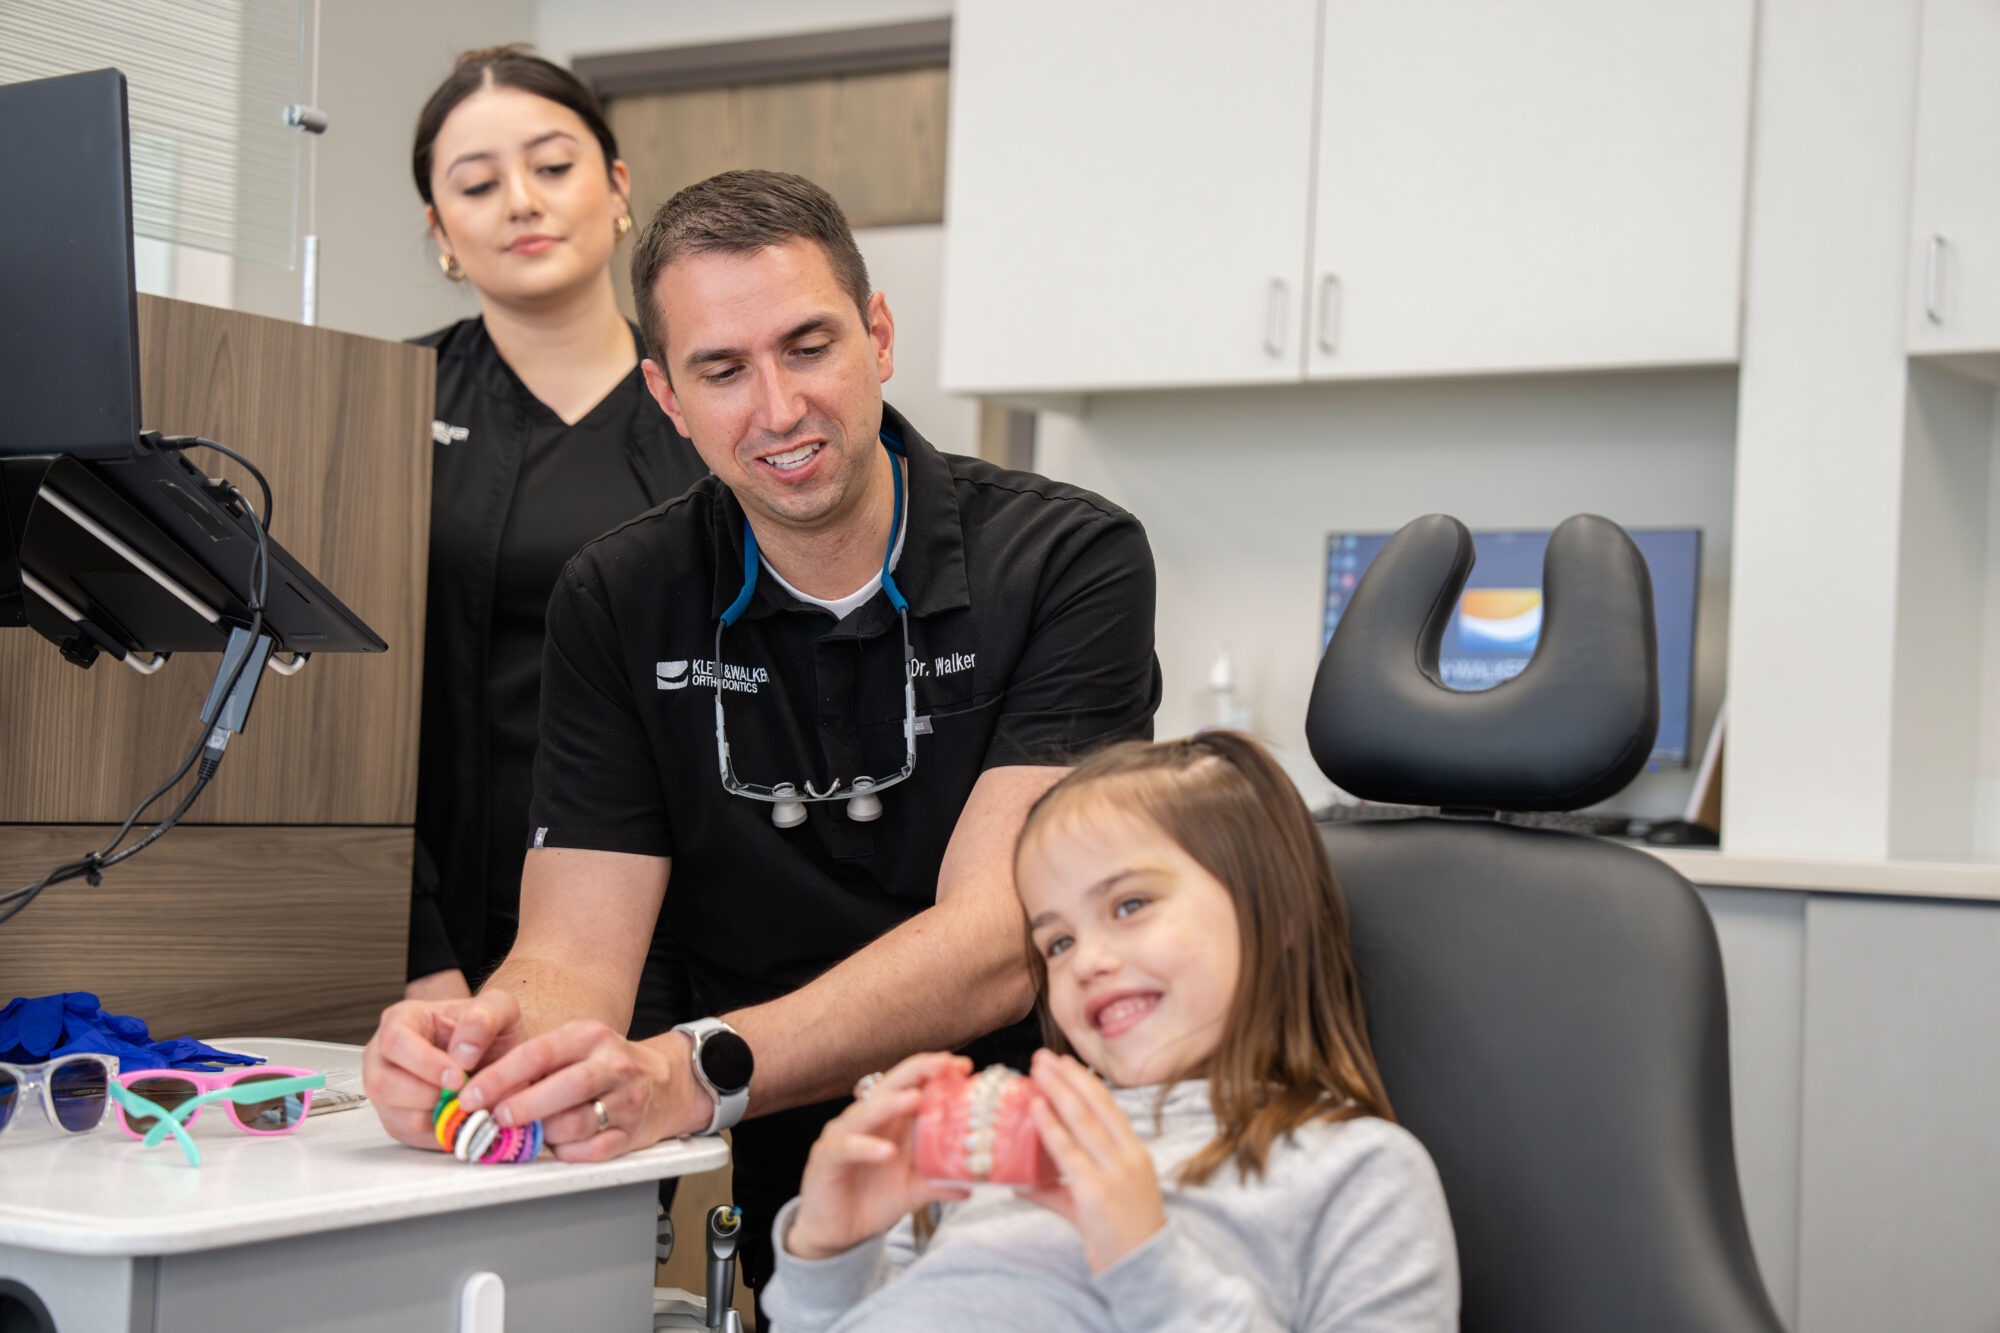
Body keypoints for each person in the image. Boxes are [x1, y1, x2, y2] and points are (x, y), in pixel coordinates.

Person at [361, 169, 1163, 1293]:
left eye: (808, 346)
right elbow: (570, 959)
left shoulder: (1065, 562)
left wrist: (697, 1066)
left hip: (1032, 1147)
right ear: (666, 395)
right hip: (775, 1139)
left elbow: (995, 941)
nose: (778, 409)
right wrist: (485, 1054)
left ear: (878, 335)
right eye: (722, 370)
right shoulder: (619, 595)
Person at [760, 732, 1459, 1332]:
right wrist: (830, 1253)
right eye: (1056, 941)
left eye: (1129, 903)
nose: (1086, 960)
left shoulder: (1357, 1172)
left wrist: (1142, 1253)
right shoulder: (1006, 1140)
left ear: (1275, 912)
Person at [402, 46, 707, 1012]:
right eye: (479, 184)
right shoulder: (378, 409)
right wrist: (414, 952)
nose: (522, 201)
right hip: (438, 927)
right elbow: (337, 709)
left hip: (677, 916)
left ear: (618, 187)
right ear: (440, 227)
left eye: (553, 165)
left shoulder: (719, 402)